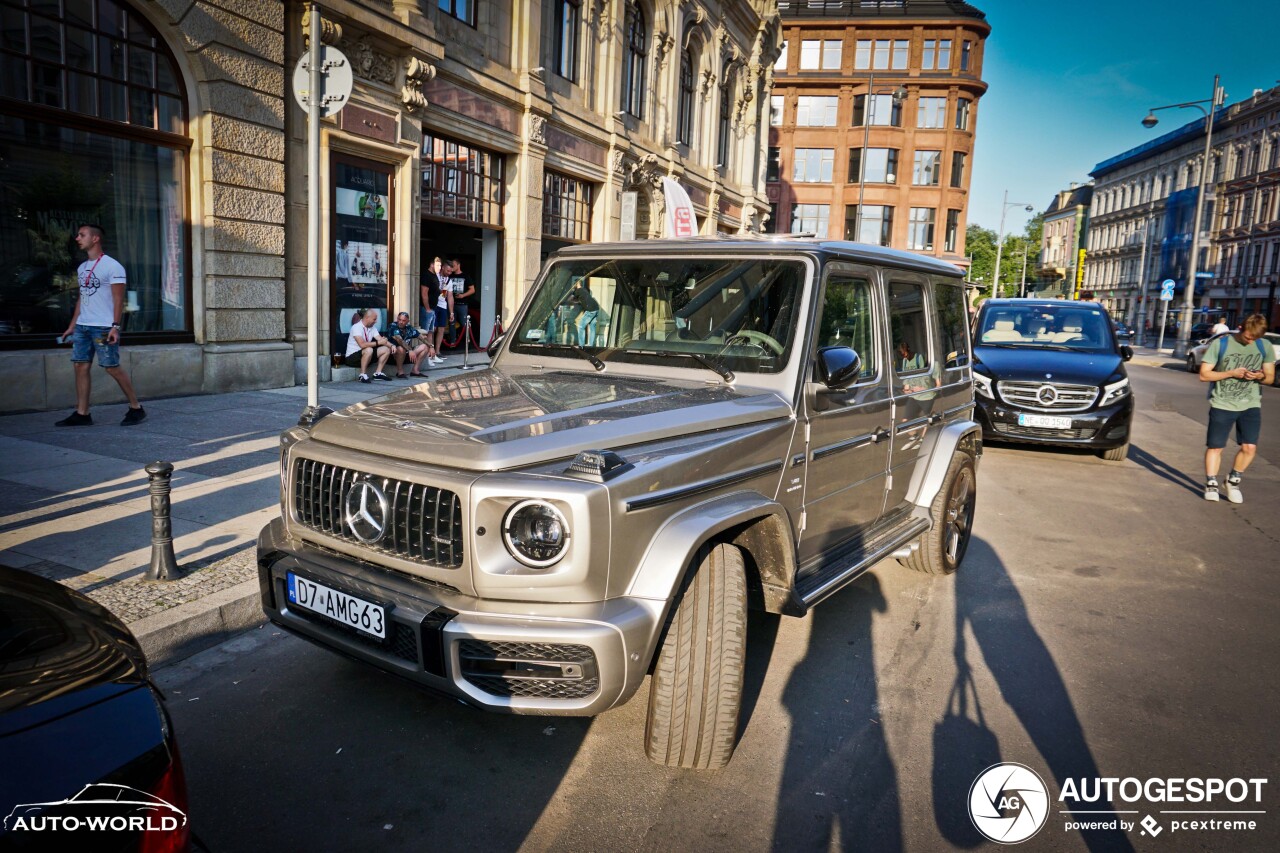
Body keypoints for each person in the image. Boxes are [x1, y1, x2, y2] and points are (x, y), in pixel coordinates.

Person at [56, 224, 146, 427]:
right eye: (78, 234)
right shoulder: (82, 268)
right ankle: (82, 413)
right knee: (80, 366)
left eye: (82, 235)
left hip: (103, 327)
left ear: (95, 239)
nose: (77, 238)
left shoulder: (113, 267)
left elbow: (118, 299)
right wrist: (72, 325)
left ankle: (136, 408)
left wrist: (115, 326)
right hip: (82, 326)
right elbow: (82, 298)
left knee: (111, 367)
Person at [1198, 313, 1275, 503]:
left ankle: (1233, 480)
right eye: (1249, 337)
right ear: (1241, 328)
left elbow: (1270, 377)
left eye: (1255, 338)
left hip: (1250, 403)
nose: (1251, 341)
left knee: (1249, 448)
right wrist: (1231, 373)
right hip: (1222, 402)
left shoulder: (1264, 346)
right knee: (1216, 447)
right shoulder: (1221, 344)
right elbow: (1204, 375)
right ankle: (1211, 484)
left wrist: (1258, 376)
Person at [344, 308, 397, 383]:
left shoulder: (372, 328)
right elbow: (362, 345)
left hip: (366, 354)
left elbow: (381, 340)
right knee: (369, 349)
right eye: (374, 319)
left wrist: (392, 346)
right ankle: (362, 375)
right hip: (352, 358)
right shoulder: (356, 327)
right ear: (367, 318)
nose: (376, 321)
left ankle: (378, 373)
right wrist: (379, 343)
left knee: (386, 349)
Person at [389, 311, 434, 377]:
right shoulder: (393, 326)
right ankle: (400, 372)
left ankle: (415, 370)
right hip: (394, 354)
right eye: (399, 319)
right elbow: (400, 340)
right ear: (397, 318)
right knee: (401, 348)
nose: (401, 322)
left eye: (403, 320)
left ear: (408, 321)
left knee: (425, 347)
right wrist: (410, 350)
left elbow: (421, 337)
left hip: (408, 354)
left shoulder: (409, 327)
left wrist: (431, 346)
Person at [445, 258, 475, 346]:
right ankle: (453, 342)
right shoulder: (449, 276)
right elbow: (444, 288)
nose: (452, 268)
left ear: (458, 265)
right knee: (451, 323)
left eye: (453, 266)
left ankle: (468, 341)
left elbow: (472, 290)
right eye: (450, 266)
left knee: (464, 323)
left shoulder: (465, 276)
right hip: (451, 304)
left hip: (462, 304)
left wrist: (463, 295)